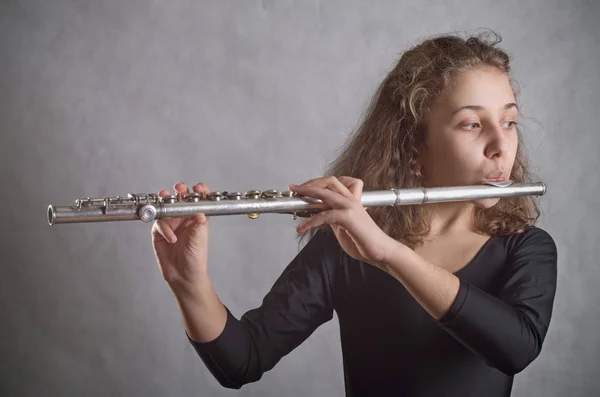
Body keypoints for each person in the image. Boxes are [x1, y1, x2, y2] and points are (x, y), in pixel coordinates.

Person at [150, 30, 558, 397]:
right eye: (471, 124)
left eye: (508, 121)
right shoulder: (345, 244)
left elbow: (516, 348)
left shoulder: (525, 249)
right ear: (415, 139)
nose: (500, 146)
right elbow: (243, 361)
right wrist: (188, 282)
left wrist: (389, 254)